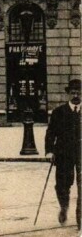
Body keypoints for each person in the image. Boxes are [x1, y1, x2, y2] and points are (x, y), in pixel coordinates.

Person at [45, 78, 81, 229]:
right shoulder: (59, 112)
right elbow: (50, 133)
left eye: (79, 92)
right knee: (62, 185)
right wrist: (49, 151)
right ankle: (64, 207)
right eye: (73, 92)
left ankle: (80, 217)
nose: (76, 95)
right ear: (68, 94)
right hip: (63, 153)